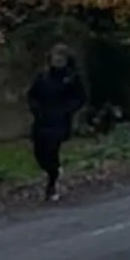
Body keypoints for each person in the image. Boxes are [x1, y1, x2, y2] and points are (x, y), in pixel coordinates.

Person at [27, 45, 86, 201]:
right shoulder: (42, 77)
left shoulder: (71, 78)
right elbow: (32, 95)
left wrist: (67, 110)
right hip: (42, 119)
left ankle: (52, 183)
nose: (58, 60)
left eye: (61, 57)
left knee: (52, 150)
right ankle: (51, 171)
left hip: (60, 121)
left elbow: (79, 98)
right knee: (39, 152)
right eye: (55, 57)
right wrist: (36, 109)